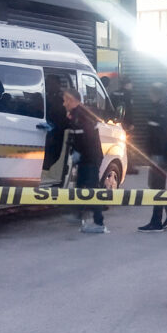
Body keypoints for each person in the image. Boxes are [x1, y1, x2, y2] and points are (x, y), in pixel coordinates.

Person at [63, 87, 107, 234]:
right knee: (80, 185)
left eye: (65, 100)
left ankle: (99, 222)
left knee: (93, 190)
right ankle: (78, 214)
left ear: (72, 100)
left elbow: (87, 139)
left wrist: (78, 152)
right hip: (85, 157)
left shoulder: (83, 116)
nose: (64, 104)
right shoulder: (76, 114)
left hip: (91, 157)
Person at [139, 83, 167, 233]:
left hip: (160, 155)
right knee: (157, 187)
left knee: (157, 188)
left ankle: (157, 221)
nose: (150, 97)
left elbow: (163, 136)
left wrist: (158, 156)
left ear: (156, 95)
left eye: (151, 94)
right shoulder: (164, 109)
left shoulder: (161, 111)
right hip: (160, 154)